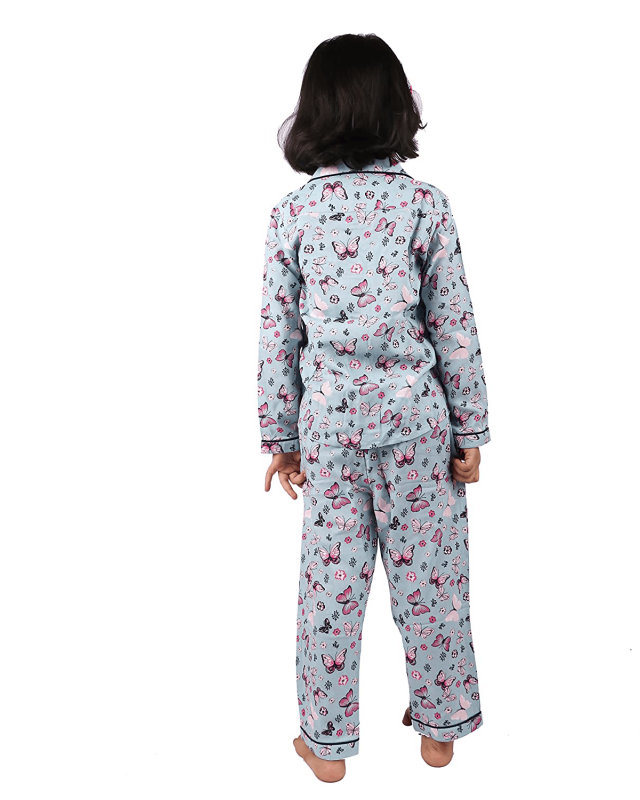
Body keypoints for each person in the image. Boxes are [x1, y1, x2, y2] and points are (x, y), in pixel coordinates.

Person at [257, 33, 490, 783]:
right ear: (397, 109)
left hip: (330, 430)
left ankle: (326, 746)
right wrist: (472, 429)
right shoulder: (426, 206)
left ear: (313, 115)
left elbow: (278, 336)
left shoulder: (293, 214)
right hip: (419, 428)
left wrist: (280, 439)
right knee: (433, 582)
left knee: (330, 588)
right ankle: (441, 731)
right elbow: (454, 325)